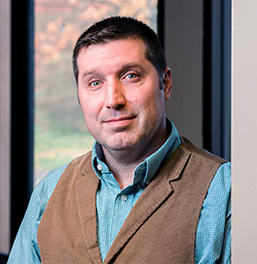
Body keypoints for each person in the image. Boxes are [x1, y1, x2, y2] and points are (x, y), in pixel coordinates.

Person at [8, 16, 231, 264]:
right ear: (80, 97)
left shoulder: (225, 190)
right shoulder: (49, 192)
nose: (113, 100)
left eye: (131, 76)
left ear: (165, 83)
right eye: (95, 82)